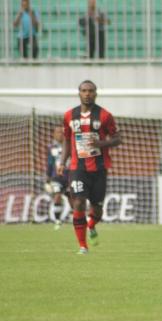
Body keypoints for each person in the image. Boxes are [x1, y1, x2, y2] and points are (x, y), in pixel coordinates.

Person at [57, 80, 122, 254]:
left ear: (96, 93)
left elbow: (118, 139)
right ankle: (83, 246)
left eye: (91, 91)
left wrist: (100, 143)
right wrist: (62, 163)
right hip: (77, 168)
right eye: (84, 90)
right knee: (78, 203)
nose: (87, 94)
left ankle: (91, 225)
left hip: (99, 168)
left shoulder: (105, 116)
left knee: (97, 209)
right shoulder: (69, 115)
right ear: (79, 93)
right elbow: (66, 141)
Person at [46, 127, 69, 229]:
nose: (60, 134)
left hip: (70, 176)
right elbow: (50, 163)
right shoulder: (51, 147)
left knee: (73, 199)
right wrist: (47, 178)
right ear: (54, 134)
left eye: (62, 132)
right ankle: (58, 221)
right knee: (57, 196)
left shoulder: (70, 145)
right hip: (57, 177)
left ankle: (77, 219)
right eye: (58, 132)